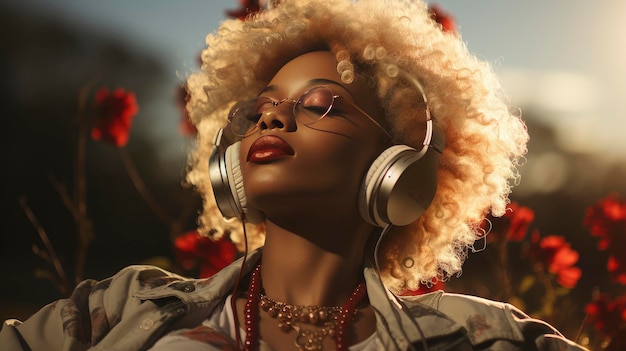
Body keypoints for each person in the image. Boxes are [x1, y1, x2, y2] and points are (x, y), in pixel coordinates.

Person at [0, 0, 588, 350]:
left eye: (319, 102)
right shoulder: (120, 310)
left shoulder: (483, 338)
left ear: (398, 165)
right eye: (257, 108)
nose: (272, 115)